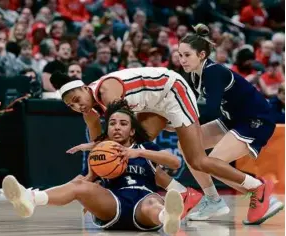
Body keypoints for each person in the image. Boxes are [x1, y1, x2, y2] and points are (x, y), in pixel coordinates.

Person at [50, 59, 279, 224]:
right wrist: (93, 172)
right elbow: (102, 143)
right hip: (152, 104)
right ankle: (192, 196)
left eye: (77, 99)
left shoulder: (107, 91)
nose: (77, 106)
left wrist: (93, 171)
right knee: (137, 151)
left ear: (83, 87)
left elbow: (120, 130)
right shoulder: (89, 111)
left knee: (197, 159)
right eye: (71, 105)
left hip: (171, 90)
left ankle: (256, 187)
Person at [2, 100, 184, 236]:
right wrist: (90, 175)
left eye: (123, 123)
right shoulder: (100, 152)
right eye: (112, 123)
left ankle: (166, 218)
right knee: (80, 186)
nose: (117, 127)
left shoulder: (145, 148)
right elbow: (78, 185)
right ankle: (31, 198)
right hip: (113, 202)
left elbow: (175, 162)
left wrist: (139, 154)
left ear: (132, 130)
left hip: (143, 201)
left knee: (153, 203)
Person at [177, 23, 284, 223]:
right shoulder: (193, 75)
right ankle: (213, 200)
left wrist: (182, 122)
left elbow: (211, 110)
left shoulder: (213, 72)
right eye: (180, 55)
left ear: (201, 55)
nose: (182, 60)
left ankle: (259, 190)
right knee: (185, 144)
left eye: (187, 55)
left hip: (256, 119)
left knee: (213, 162)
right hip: (232, 118)